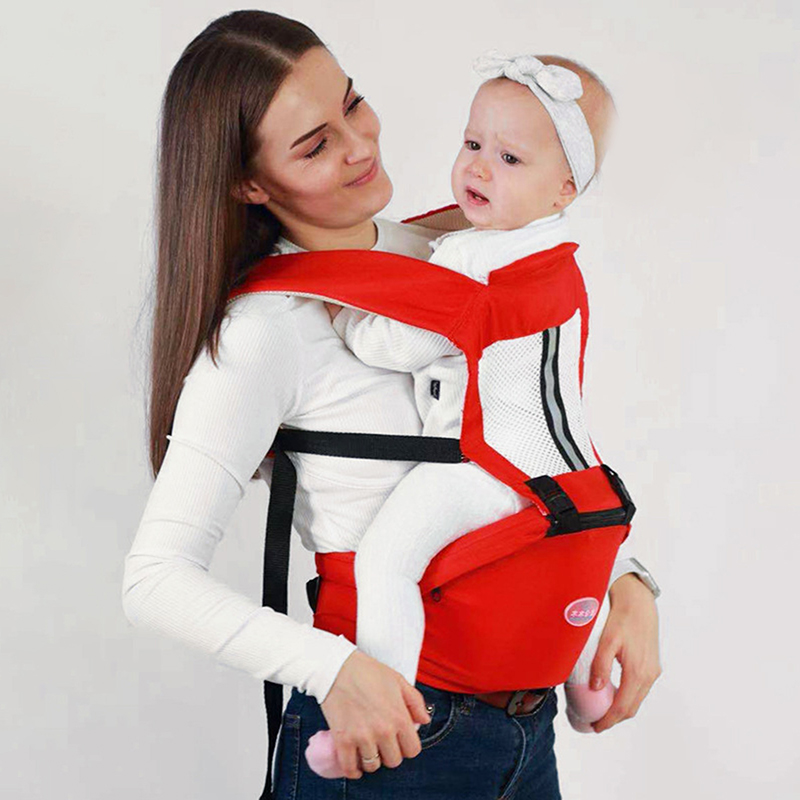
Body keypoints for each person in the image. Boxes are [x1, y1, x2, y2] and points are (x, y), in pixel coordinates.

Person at [121, 10, 662, 800]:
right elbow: (155, 579)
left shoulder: (451, 251)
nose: (360, 144)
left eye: (353, 102)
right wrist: (333, 669)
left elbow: (526, 431)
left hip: (527, 728)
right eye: (315, 144)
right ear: (249, 183)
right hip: (388, 742)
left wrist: (626, 580)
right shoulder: (266, 330)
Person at [302, 52, 626, 777]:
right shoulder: (556, 253)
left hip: (489, 464)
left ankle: (379, 720)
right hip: (573, 467)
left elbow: (397, 343)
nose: (479, 167)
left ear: (565, 187)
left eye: (510, 158)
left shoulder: (471, 260)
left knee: (387, 561)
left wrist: (342, 310)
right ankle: (585, 688)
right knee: (566, 559)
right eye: (473, 143)